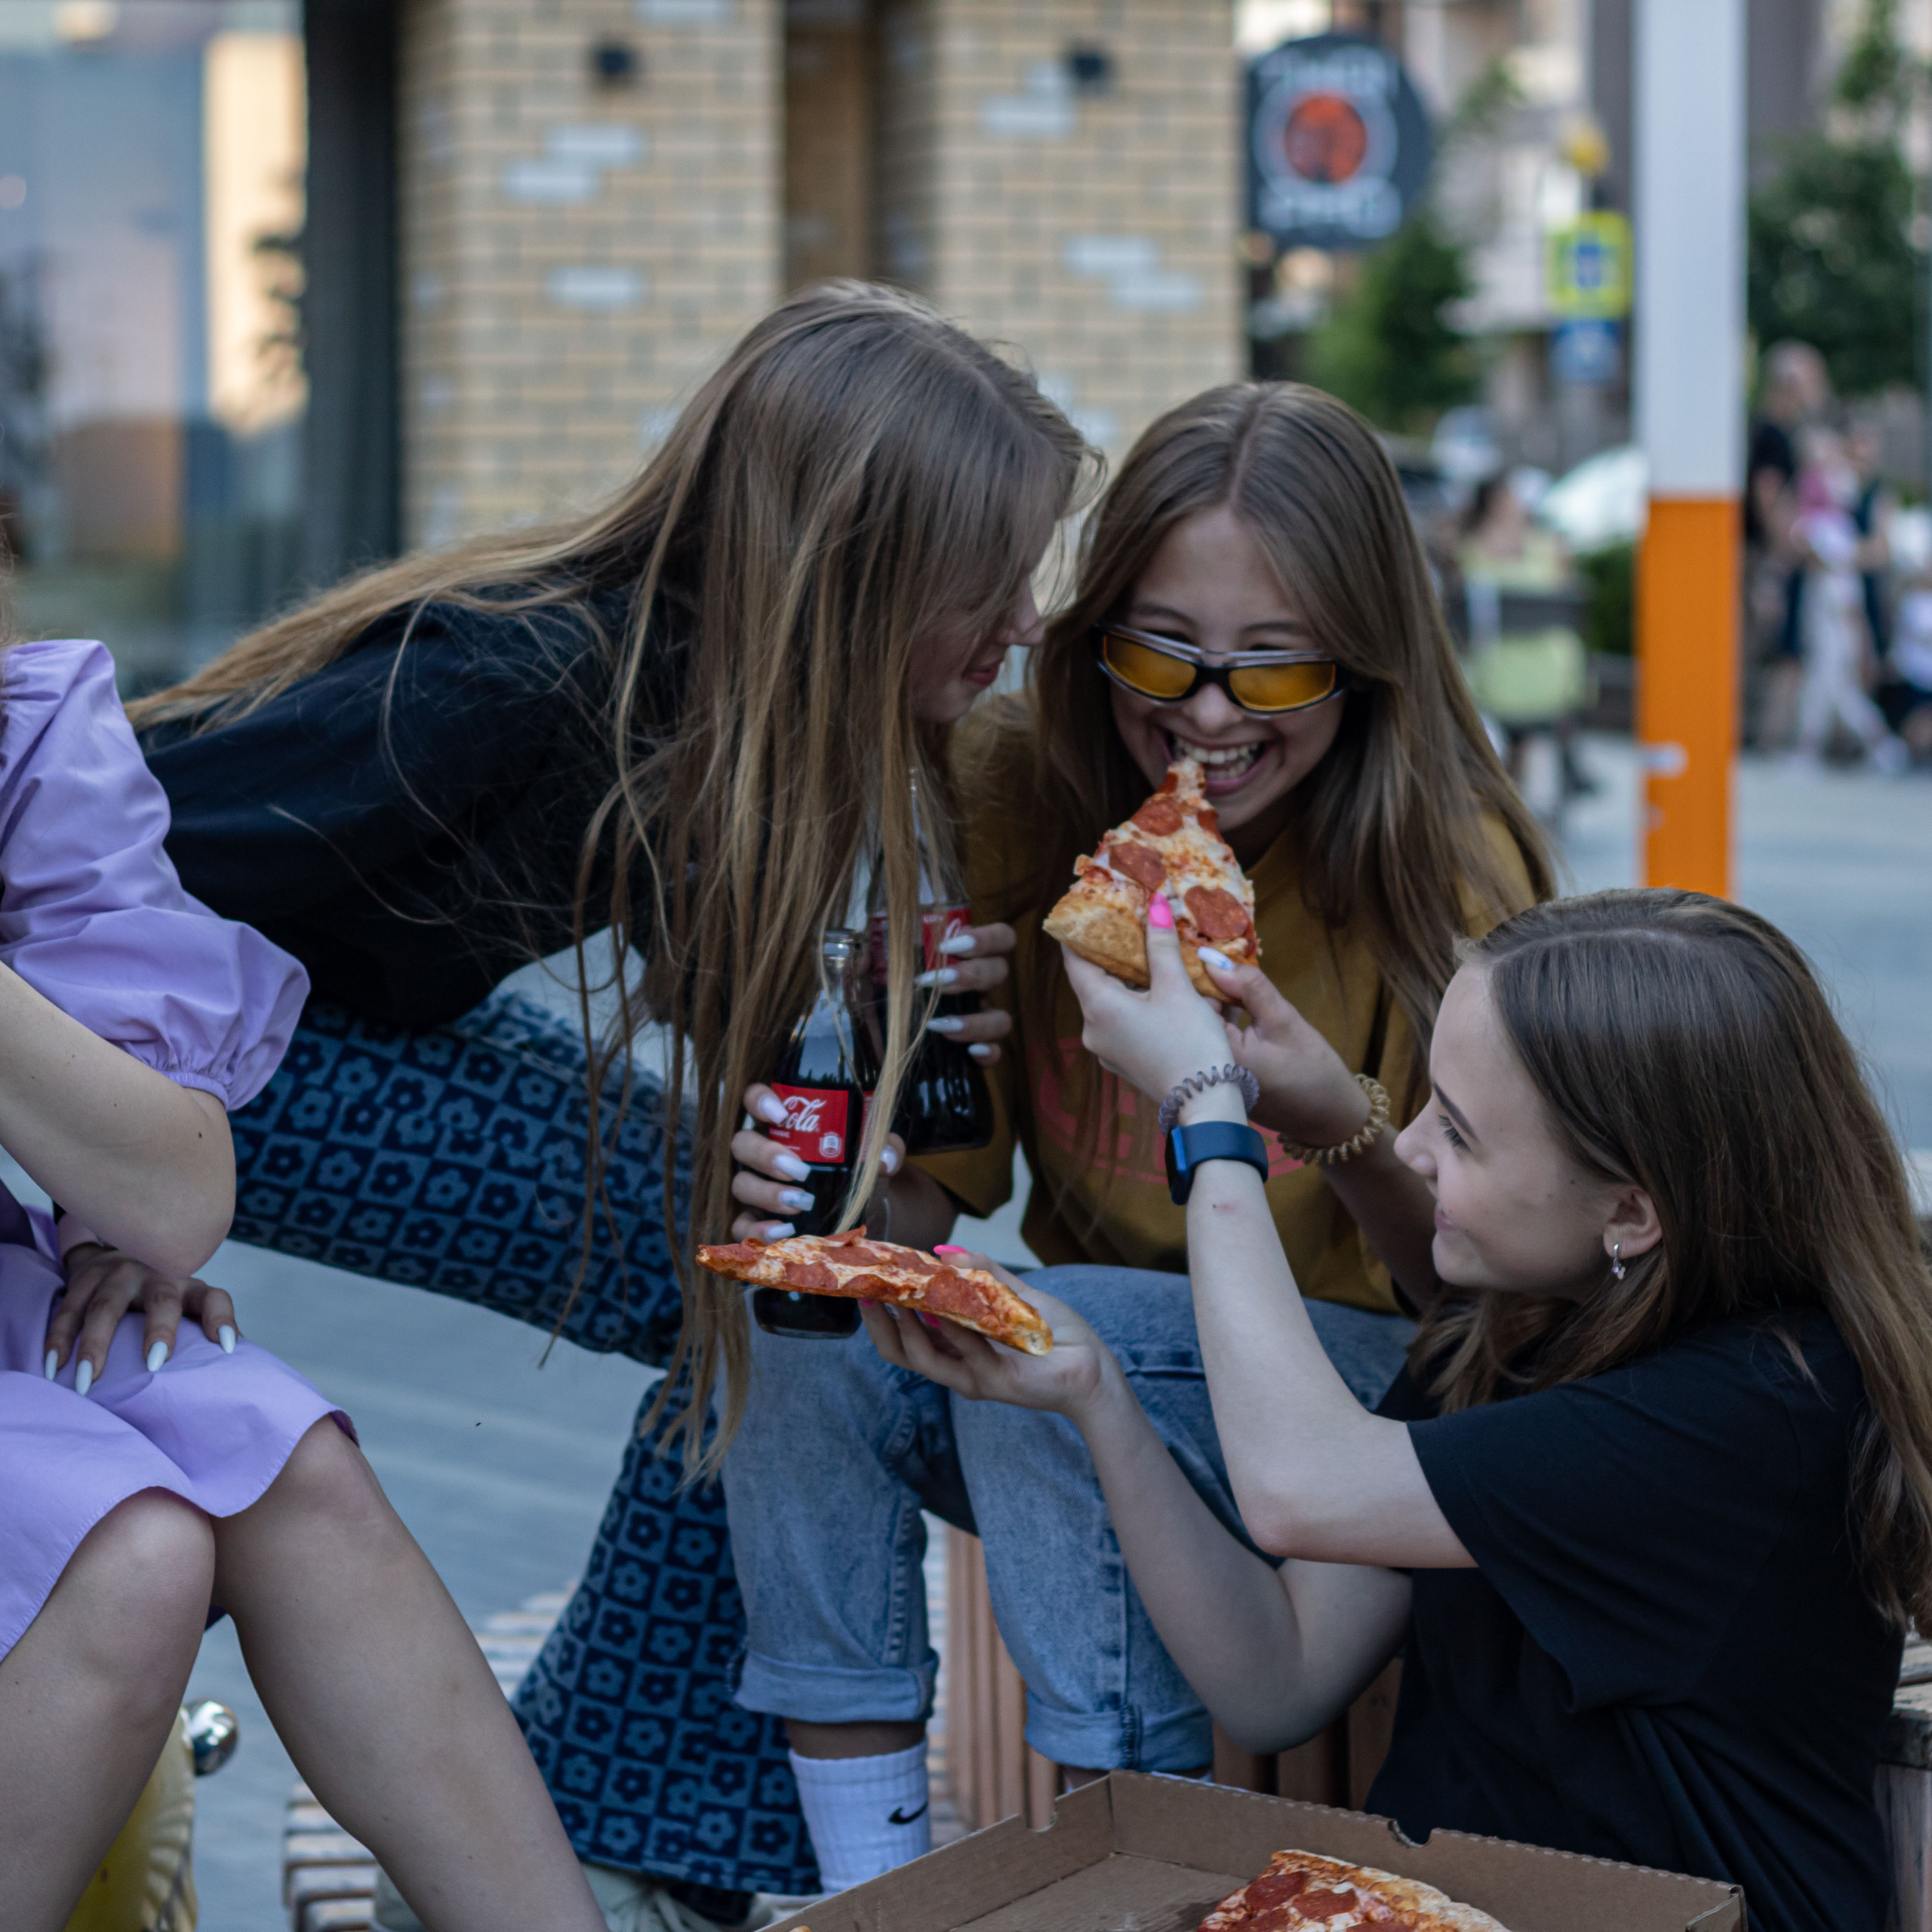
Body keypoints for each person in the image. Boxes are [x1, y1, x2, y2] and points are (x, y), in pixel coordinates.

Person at [58, 282, 1088, 1924]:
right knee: (737, 1302)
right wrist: (100, 1188)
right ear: (854, 573)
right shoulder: (515, 677)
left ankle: (606, 1838)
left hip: (303, 1053)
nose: (1024, 619)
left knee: (758, 1287)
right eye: (990, 581)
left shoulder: (727, 716)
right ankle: (614, 1851)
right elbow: (88, 868)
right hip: (224, 1070)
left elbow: (813, 1158)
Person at [722, 383, 1551, 1889]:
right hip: (1102, 1383)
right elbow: (917, 1216)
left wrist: (1318, 1116)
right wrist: (856, 1127)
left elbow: (1480, 1310)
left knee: (1055, 1336)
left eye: (1273, 667)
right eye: (1156, 651)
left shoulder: (1447, 869)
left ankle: (1133, 1853)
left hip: (1362, 1402)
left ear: (1363, 661)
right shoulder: (1012, 797)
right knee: (806, 1316)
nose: (1208, 715)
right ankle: (863, 1879)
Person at [875, 886, 1925, 1932]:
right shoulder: (1518, 1326)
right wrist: (1098, 1398)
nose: (1413, 1147)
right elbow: (1276, 1679)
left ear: (1631, 1212)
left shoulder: (1760, 1410)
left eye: (1461, 1134)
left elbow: (1300, 1490)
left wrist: (1207, 1108)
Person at [0, 638, 611, 1932]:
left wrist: (97, 1193)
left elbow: (173, 1205)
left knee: (286, 1464)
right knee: (133, 1548)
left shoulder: (27, 716)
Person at [1788, 423, 1909, 775]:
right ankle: (1869, 744)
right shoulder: (1830, 514)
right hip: (1835, 595)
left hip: (1847, 598)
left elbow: (1879, 550)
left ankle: (1831, 746)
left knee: (1832, 675)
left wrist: (1838, 557)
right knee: (1831, 678)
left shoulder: (1846, 513)